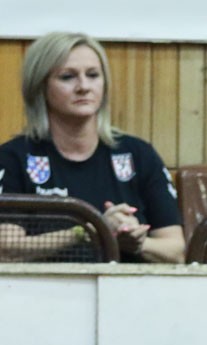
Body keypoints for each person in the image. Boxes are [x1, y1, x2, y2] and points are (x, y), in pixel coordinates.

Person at [0, 32, 184, 263]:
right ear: (40, 86)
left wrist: (136, 241)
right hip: (47, 285)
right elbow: (5, 250)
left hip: (126, 283)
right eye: (67, 77)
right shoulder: (13, 158)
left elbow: (177, 252)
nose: (84, 87)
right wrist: (91, 230)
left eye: (93, 75)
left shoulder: (138, 154)